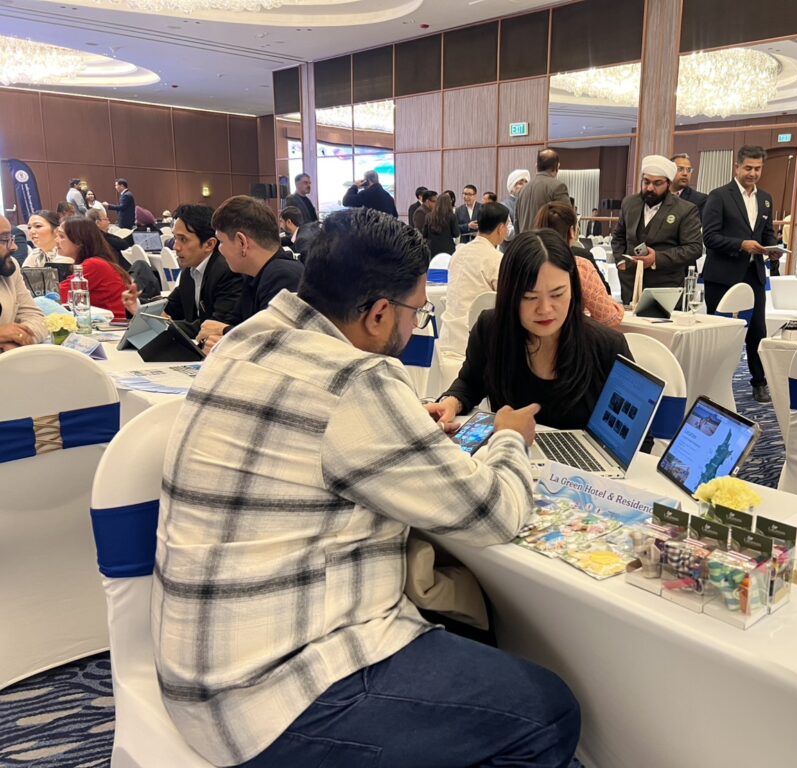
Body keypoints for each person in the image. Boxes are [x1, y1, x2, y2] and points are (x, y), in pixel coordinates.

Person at [152, 207, 579, 767]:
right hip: (274, 697)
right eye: (416, 311)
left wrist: (403, 428)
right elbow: (493, 512)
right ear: (379, 314)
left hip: (199, 671)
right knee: (549, 711)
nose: (415, 324)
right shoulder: (359, 379)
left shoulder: (247, 338)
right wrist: (508, 440)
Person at [433, 229, 633, 431]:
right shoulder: (491, 329)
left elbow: (635, 431)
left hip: (579, 453)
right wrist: (452, 402)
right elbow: (469, 383)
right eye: (530, 297)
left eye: (557, 294)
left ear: (573, 289)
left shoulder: (607, 347)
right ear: (510, 295)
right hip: (509, 448)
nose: (545, 309)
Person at [702, 145, 778, 403]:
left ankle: (759, 382)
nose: (753, 173)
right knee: (719, 333)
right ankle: (711, 382)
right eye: (748, 168)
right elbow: (709, 237)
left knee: (757, 330)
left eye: (758, 169)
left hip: (753, 273)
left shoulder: (765, 198)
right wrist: (740, 245)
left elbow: (767, 234)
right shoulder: (719, 196)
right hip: (722, 275)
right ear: (737, 167)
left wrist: (773, 249)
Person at [195, 196, 304, 352]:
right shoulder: (254, 275)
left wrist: (225, 333)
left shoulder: (283, 276)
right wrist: (221, 334)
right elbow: (235, 323)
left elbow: (275, 344)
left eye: (222, 242)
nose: (219, 249)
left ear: (242, 242)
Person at [123, 204, 244, 339]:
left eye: (183, 239)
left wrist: (163, 324)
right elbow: (170, 308)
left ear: (209, 244)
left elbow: (214, 327)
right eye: (175, 238)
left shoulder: (228, 272)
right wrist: (137, 305)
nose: (176, 247)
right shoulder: (189, 272)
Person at [611, 154, 702, 306]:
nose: (650, 188)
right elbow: (618, 236)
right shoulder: (629, 203)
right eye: (646, 182)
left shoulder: (685, 209)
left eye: (657, 183)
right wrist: (620, 261)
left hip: (665, 286)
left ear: (668, 184)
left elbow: (694, 248)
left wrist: (657, 259)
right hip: (630, 284)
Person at [437, 202, 509, 367]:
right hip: (475, 345)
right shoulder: (496, 259)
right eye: (507, 226)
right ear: (500, 228)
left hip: (446, 338)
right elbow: (506, 300)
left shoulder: (458, 253)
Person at [535, 202, 622, 328]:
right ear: (572, 231)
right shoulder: (579, 266)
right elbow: (609, 317)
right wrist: (619, 307)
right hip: (567, 336)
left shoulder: (522, 261)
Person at [56, 216, 130, 321]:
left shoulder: (94, 265)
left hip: (109, 326)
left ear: (79, 241)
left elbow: (57, 296)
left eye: (61, 236)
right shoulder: (97, 262)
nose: (56, 240)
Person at [0, 215, 47, 350]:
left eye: (11, 238)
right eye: (4, 239)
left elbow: (35, 317)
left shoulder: (10, 267)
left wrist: (17, 341)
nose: (14, 247)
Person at [517, 149, 571, 234]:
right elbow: (568, 219)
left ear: (537, 166)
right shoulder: (558, 187)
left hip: (524, 241)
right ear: (557, 167)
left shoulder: (523, 189)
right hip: (546, 241)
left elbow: (516, 223)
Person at [420, 189, 460, 257]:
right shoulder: (452, 216)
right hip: (448, 249)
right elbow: (456, 233)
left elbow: (424, 234)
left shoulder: (428, 216)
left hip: (432, 249)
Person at [502, 169, 530, 237]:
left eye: (526, 182)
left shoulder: (529, 203)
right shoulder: (504, 206)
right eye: (520, 183)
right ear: (512, 187)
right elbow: (507, 234)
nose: (525, 186)